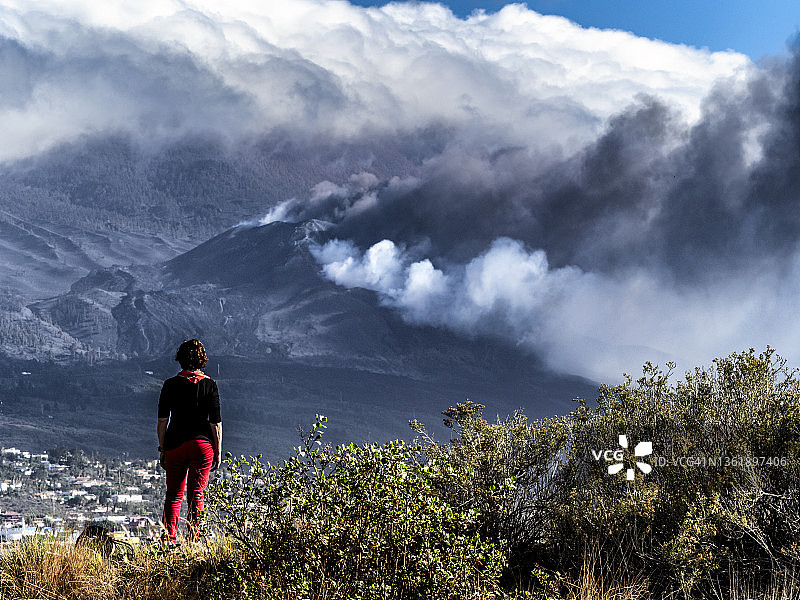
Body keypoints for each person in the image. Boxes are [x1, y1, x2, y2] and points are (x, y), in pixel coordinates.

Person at [157, 339, 222, 543]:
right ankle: (194, 540)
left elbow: (162, 421)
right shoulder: (210, 385)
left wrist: (162, 448)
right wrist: (218, 451)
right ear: (202, 360)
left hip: (175, 444)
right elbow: (216, 424)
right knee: (197, 496)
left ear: (180, 359)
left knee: (174, 495)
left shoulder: (170, 385)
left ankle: (169, 540)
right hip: (202, 446)